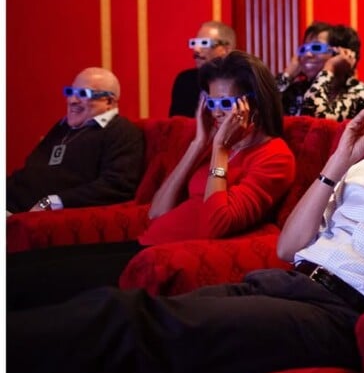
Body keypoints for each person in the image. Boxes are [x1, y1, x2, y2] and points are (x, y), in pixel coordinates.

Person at [8, 64, 364, 373]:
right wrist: (338, 164)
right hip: (284, 281)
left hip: (343, 312)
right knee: (127, 310)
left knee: (131, 321)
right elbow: (289, 248)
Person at [8, 50, 296, 310]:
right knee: (17, 267)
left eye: (225, 102)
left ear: (253, 104)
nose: (217, 111)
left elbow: (216, 224)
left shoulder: (274, 156)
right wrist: (198, 144)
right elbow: (158, 211)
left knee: (31, 284)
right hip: (146, 241)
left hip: (160, 257)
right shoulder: (222, 143)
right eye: (211, 101)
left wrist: (219, 151)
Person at [6, 67, 144, 214]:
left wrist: (52, 202)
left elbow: (117, 186)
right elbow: (30, 170)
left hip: (37, 215)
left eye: (83, 94)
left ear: (109, 101)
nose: (72, 100)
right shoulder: (62, 127)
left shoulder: (122, 132)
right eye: (70, 92)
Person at [277, 22, 364, 120]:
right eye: (304, 49)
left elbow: (317, 117)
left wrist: (329, 68)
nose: (307, 54)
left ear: (341, 53)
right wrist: (287, 76)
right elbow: (263, 113)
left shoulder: (363, 93)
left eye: (316, 47)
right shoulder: (294, 91)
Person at [169, 20, 237, 117]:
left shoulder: (243, 80)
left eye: (204, 43)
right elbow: (177, 126)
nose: (196, 49)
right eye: (195, 43)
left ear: (226, 49)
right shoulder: (185, 81)